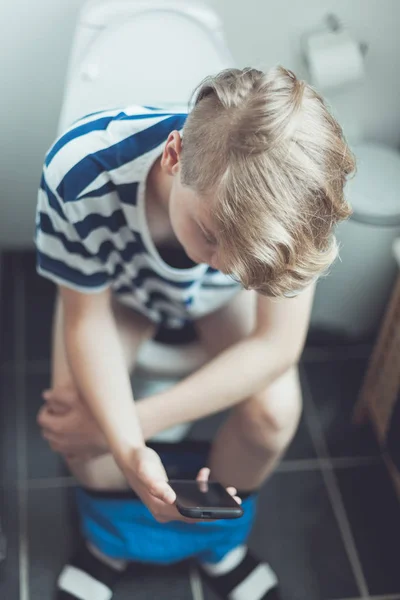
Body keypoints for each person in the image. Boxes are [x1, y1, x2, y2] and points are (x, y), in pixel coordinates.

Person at [36, 66, 355, 600]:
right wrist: (122, 446)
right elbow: (85, 318)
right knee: (77, 414)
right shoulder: (81, 170)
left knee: (273, 414)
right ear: (173, 154)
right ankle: (109, 542)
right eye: (209, 236)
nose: (225, 266)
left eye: (247, 260)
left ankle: (216, 541)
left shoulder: (298, 195)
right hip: (122, 294)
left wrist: (128, 429)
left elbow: (277, 345)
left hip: (219, 309)